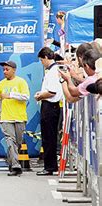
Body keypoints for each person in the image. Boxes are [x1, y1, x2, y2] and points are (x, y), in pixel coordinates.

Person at [0, 61, 30, 176]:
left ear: (14, 70)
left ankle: (12, 161)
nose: (5, 71)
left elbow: (26, 97)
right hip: (6, 117)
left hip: (19, 117)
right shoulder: (0, 84)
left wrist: (11, 95)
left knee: (18, 143)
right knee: (10, 140)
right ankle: (16, 165)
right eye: (3, 69)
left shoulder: (21, 82)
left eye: (7, 69)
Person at [35, 47, 63, 176]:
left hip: (50, 106)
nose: (41, 63)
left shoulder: (52, 72)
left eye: (41, 60)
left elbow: (52, 92)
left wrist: (40, 95)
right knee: (49, 137)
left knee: (48, 137)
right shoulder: (53, 70)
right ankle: (50, 165)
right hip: (52, 106)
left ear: (46, 58)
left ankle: (50, 166)